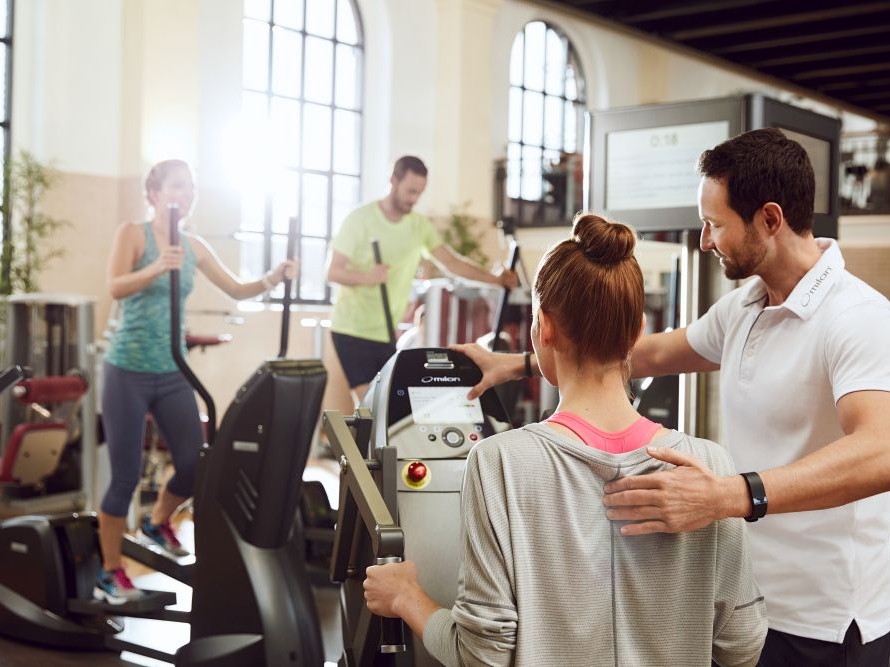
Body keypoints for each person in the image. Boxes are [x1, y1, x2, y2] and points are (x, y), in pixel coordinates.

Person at [456, 128, 890, 666]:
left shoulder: (857, 318)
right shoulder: (745, 307)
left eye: (715, 225)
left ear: (770, 220)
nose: (706, 240)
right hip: (750, 606)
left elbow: (882, 451)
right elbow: (636, 350)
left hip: (823, 623)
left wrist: (732, 496)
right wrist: (522, 361)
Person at [364, 214, 767, 666]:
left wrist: (406, 597)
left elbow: (482, 654)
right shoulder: (709, 466)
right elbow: (741, 643)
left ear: (544, 328)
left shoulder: (500, 463)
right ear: (636, 331)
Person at [96, 159, 296, 603]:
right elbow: (114, 287)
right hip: (126, 368)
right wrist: (154, 268)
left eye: (189, 189)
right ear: (153, 193)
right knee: (125, 476)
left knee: (194, 464)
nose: (182, 196)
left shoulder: (194, 245)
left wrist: (273, 277)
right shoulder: (134, 234)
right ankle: (110, 571)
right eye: (174, 187)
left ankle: (158, 520)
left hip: (171, 370)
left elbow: (238, 289)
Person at [326, 155, 518, 404]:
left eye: (419, 193)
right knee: (371, 404)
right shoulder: (360, 220)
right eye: (409, 191)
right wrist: (367, 276)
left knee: (386, 406)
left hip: (385, 331)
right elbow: (332, 272)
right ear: (393, 181)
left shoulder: (418, 226)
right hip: (352, 329)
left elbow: (453, 263)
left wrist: (495, 280)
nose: (414, 199)